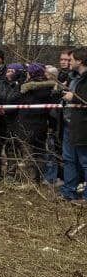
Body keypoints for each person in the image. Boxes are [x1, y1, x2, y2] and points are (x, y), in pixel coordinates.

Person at [60, 48, 87, 201]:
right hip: (68, 124)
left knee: (85, 162)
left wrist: (74, 97)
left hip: (83, 126)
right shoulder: (73, 77)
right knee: (68, 160)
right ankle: (68, 192)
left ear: (80, 61)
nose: (68, 62)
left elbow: (82, 99)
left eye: (71, 60)